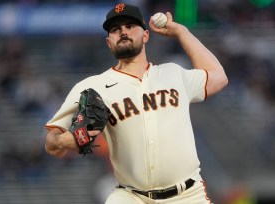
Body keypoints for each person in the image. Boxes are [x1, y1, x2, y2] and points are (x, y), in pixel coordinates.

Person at [44, 3, 228, 204]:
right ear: (109, 42)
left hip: (188, 195)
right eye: (115, 29)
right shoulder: (91, 87)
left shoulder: (173, 73)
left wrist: (182, 32)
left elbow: (218, 77)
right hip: (131, 196)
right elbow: (51, 142)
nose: (123, 31)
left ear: (146, 35)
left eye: (130, 26)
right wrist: (63, 142)